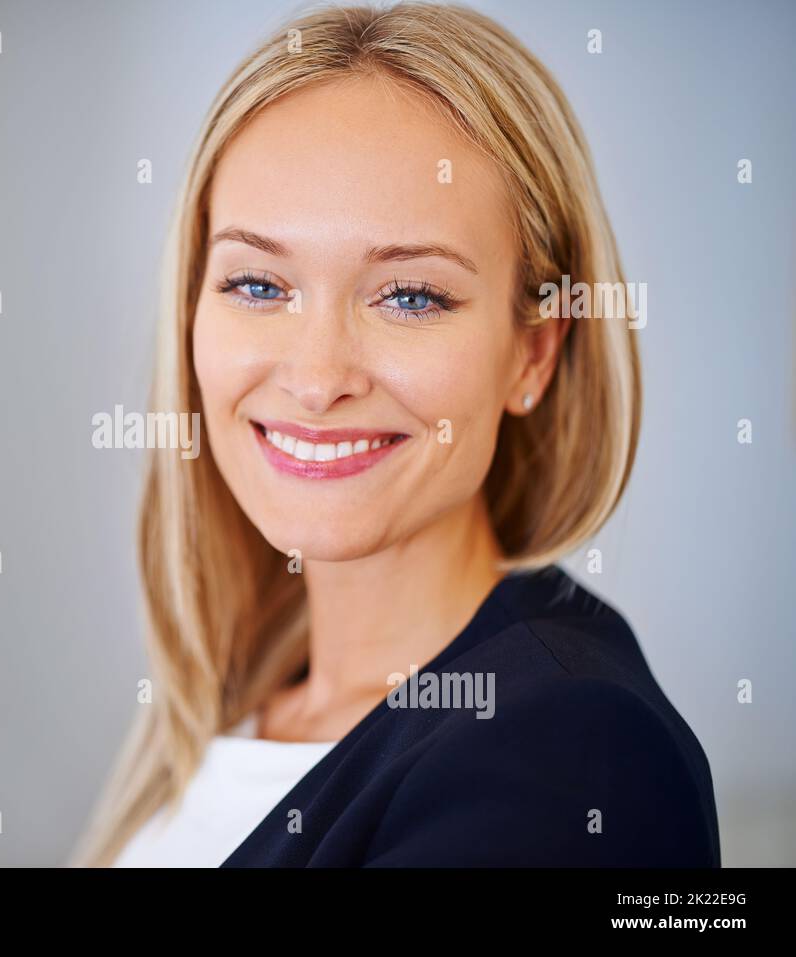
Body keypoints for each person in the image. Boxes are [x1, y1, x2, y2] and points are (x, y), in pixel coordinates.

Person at [71, 2, 720, 868]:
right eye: (259, 284)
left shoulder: (570, 749)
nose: (315, 376)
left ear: (532, 352)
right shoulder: (235, 696)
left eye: (410, 295)